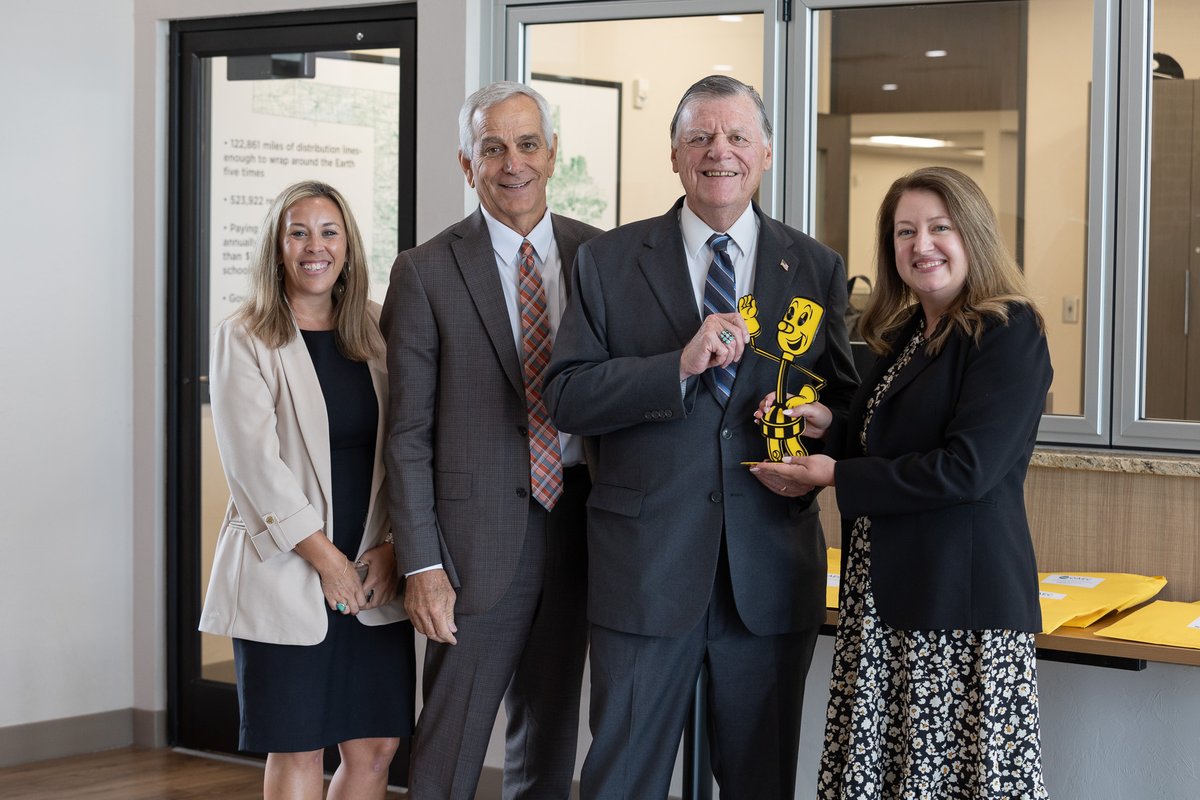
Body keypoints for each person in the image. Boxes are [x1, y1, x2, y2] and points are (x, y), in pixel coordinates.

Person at [544, 75, 858, 799]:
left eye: (737, 136)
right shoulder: (609, 261)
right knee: (621, 781)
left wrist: (825, 422)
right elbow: (565, 395)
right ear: (676, 155)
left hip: (769, 570)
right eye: (700, 137)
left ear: (768, 153)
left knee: (760, 782)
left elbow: (846, 401)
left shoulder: (814, 266)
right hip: (644, 571)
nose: (720, 152)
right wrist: (675, 368)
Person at [751, 166, 1052, 798]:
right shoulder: (911, 332)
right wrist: (825, 424)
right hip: (887, 598)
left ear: (973, 235)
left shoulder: (1007, 330)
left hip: (957, 611)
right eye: (905, 232)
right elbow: (889, 438)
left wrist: (837, 475)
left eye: (940, 228)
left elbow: (965, 469)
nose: (922, 246)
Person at [381, 81, 601, 799]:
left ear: (554, 155)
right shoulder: (425, 271)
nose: (514, 163)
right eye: (493, 148)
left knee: (550, 743)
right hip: (472, 548)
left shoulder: (599, 257)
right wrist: (421, 564)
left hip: (579, 529)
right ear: (466, 163)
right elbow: (407, 435)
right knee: (448, 746)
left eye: (528, 144)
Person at [199, 180, 414, 799]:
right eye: (299, 232)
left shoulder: (376, 329)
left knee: (375, 747)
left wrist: (394, 546)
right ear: (277, 246)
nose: (314, 247)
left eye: (328, 232)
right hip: (290, 564)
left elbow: (406, 444)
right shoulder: (245, 334)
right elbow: (253, 467)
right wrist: (327, 563)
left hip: (372, 564)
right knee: (298, 745)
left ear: (347, 246)